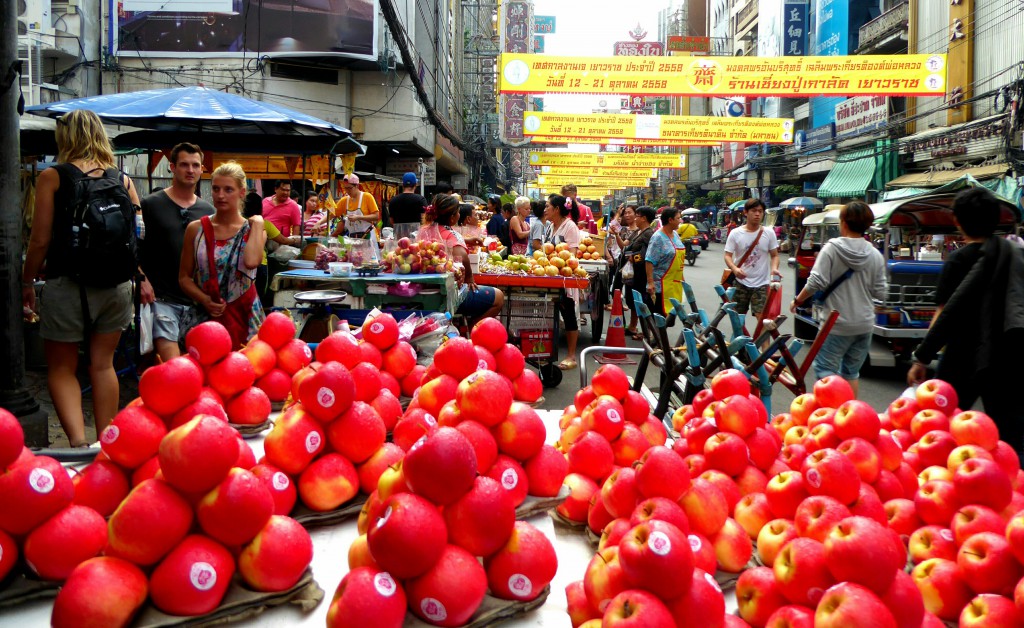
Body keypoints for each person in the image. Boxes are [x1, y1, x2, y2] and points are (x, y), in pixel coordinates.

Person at [21, 109, 141, 448]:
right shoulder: (123, 180)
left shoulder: (54, 176)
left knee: (61, 368)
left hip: (68, 284)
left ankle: (77, 443)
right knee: (103, 366)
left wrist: (27, 282)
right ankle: (107, 444)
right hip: (116, 286)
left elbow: (40, 239)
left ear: (66, 137)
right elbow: (137, 232)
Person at [908, 188, 1024, 462]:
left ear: (957, 222)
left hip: (962, 356)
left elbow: (945, 314)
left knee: (942, 429)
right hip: (1006, 355)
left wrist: (922, 358)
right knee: (1011, 436)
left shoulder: (958, 261)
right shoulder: (1015, 255)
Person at [789, 201, 886, 397]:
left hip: (836, 323)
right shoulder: (875, 254)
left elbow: (816, 282)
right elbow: (881, 293)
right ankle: (850, 418)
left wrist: (798, 301)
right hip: (864, 324)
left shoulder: (832, 249)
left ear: (843, 223)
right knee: (851, 372)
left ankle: (830, 419)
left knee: (825, 371)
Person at [139, 142, 215, 362]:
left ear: (202, 169)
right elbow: (132, 247)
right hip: (161, 299)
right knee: (174, 366)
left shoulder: (207, 212)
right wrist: (142, 279)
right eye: (184, 165)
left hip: (196, 303)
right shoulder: (150, 205)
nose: (190, 170)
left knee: (199, 365)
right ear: (172, 167)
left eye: (195, 165)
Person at [179, 162, 266, 350]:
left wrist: (258, 223)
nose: (220, 195)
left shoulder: (253, 230)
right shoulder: (196, 229)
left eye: (228, 190)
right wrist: (204, 300)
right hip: (207, 316)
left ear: (242, 192)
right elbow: (184, 277)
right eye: (216, 189)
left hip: (245, 316)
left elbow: (251, 262)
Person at [419, 193, 504, 325]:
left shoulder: (424, 230)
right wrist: (469, 277)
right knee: (498, 297)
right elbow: (462, 255)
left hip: (424, 290)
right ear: (452, 217)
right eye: (458, 212)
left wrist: (467, 240)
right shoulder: (451, 234)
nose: (459, 215)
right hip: (446, 295)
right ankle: (473, 327)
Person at [724, 199, 781, 321]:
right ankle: (741, 340)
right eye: (754, 211)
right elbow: (727, 255)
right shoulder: (735, 233)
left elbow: (775, 255)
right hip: (740, 282)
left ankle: (761, 340)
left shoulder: (769, 233)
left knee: (763, 321)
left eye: (760, 211)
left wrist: (774, 269)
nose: (757, 214)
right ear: (745, 212)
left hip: (762, 283)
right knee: (738, 320)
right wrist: (734, 269)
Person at [546, 194, 582, 370]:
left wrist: (554, 258)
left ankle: (571, 356)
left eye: (547, 207)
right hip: (550, 276)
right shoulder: (550, 226)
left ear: (557, 209)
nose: (545, 210)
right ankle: (546, 352)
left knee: (568, 315)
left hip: (565, 276)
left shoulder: (570, 227)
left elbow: (572, 254)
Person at [244, 192, 299, 307]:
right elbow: (283, 240)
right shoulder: (264, 224)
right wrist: (295, 240)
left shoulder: (239, 222)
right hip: (260, 263)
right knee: (259, 296)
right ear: (260, 207)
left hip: (241, 263)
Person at [644, 207, 686, 317]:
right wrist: (650, 282)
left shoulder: (675, 235)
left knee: (671, 317)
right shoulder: (658, 237)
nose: (680, 221)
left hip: (674, 283)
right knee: (660, 318)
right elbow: (649, 260)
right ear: (670, 220)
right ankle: (656, 334)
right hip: (660, 285)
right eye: (678, 218)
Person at [623, 206, 656, 340]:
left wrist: (633, 258)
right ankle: (633, 326)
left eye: (637, 216)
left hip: (642, 273)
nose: (635, 218)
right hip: (635, 273)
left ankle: (648, 330)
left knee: (643, 301)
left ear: (644, 218)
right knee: (633, 300)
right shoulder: (640, 232)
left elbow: (648, 254)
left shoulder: (649, 234)